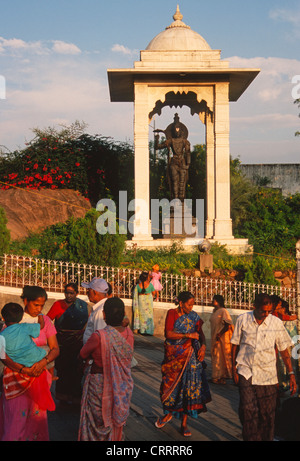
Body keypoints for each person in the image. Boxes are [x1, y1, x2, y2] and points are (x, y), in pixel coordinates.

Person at [231, 293, 297, 442]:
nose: (266, 314)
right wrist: (233, 368)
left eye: (269, 311)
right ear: (254, 307)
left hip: (268, 375)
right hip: (246, 370)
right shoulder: (243, 319)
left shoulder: (276, 323)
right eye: (263, 311)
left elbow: (283, 350)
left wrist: (291, 373)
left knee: (267, 414)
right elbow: (235, 345)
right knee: (248, 410)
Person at [0, 285, 59, 441]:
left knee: (36, 420)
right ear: (26, 301)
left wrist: (43, 362)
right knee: (15, 421)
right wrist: (23, 369)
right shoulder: (13, 320)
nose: (39, 309)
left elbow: (55, 349)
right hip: (16, 379)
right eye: (36, 305)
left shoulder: (45, 321)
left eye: (42, 305)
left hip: (39, 377)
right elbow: (3, 355)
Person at [155, 291, 211, 437]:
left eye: (193, 304)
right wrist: (188, 335)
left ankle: (184, 424)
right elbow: (169, 334)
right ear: (181, 303)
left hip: (190, 357)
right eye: (189, 304)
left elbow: (201, 333)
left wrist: (203, 346)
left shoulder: (193, 317)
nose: (191, 308)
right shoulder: (172, 313)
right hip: (174, 357)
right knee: (169, 387)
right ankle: (168, 414)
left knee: (188, 389)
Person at [78, 297, 134, 441]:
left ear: (104, 314)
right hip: (121, 385)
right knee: (112, 418)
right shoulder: (129, 334)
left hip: (99, 383)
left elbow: (82, 354)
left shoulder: (99, 336)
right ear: (124, 314)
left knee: (97, 420)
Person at [47, 283, 89, 404]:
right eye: (67, 293)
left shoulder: (83, 306)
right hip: (61, 344)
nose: (69, 296)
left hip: (77, 344)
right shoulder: (57, 304)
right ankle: (63, 397)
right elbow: (48, 320)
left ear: (77, 293)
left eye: (71, 293)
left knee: (76, 371)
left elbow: (88, 323)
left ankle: (75, 398)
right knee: (63, 370)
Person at [272, 297, 298, 393]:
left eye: (280, 308)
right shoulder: (276, 318)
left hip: (287, 349)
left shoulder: (289, 321)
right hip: (279, 349)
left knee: (286, 368)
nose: (279, 310)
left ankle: (286, 386)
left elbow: (293, 338)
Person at [209, 294, 233, 384]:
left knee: (219, 356)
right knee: (216, 356)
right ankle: (219, 377)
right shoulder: (215, 311)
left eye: (213, 300)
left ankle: (217, 377)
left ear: (217, 301)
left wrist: (220, 334)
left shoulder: (223, 311)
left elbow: (228, 325)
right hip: (214, 336)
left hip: (221, 338)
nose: (212, 302)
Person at [82, 277, 109, 344]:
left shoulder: (100, 311)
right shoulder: (100, 307)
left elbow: (99, 338)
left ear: (94, 292)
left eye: (89, 290)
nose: (87, 293)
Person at [132, 271, 155, 335]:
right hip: (148, 304)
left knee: (142, 316)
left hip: (140, 303)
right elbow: (154, 293)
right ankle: (149, 331)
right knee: (148, 316)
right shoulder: (150, 285)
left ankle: (142, 330)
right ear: (147, 278)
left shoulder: (137, 286)